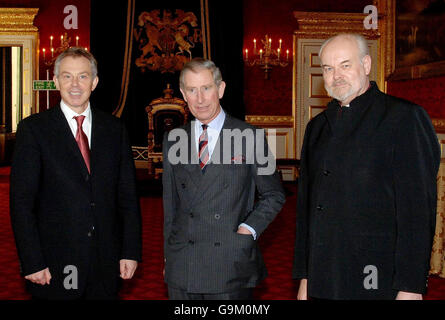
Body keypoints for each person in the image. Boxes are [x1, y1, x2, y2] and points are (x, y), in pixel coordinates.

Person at [292, 33, 441, 300]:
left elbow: (417, 212)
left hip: (378, 278)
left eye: (345, 65)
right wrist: (305, 277)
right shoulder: (317, 128)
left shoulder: (404, 118)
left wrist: (411, 287)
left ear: (367, 65)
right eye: (328, 68)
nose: (336, 75)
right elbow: (307, 212)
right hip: (324, 278)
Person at [10, 47, 142, 300]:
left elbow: (127, 197)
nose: (75, 84)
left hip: (105, 261)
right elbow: (21, 203)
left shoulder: (115, 129)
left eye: (82, 76)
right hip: (53, 262)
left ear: (94, 82)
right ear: (56, 81)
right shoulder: (34, 130)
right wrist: (32, 261)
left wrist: (130, 251)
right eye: (67, 76)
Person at [162, 58, 286, 299]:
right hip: (183, 263)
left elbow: (274, 195)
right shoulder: (173, 138)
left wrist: (248, 230)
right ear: (183, 94)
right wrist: (170, 255)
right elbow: (171, 204)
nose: (200, 99)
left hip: (228, 263)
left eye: (206, 88)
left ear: (221, 89)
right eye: (192, 90)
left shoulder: (250, 136)